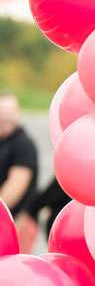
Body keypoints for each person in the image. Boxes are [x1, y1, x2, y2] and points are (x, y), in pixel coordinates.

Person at [0, 93, 38, 230]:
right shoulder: (4, 141)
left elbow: (16, 186)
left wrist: (1, 210)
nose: (5, 117)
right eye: (2, 112)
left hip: (17, 221)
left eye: (9, 112)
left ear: (18, 113)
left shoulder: (23, 144)